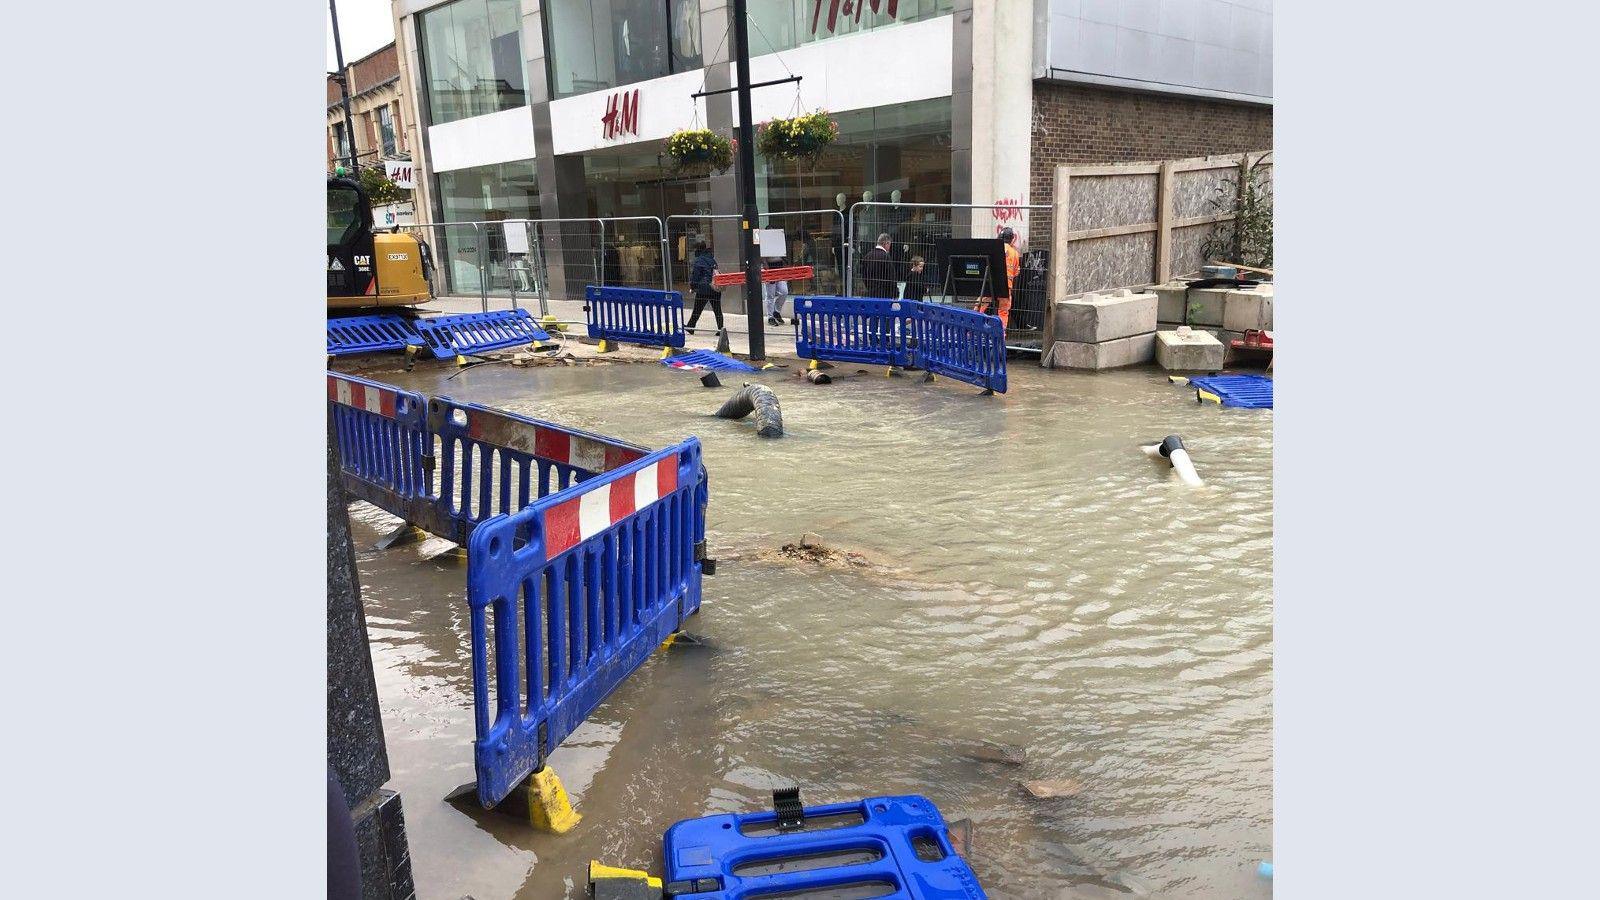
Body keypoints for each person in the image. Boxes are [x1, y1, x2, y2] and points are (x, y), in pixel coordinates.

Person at [976, 227, 1021, 328]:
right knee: (1003, 312)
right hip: (1006, 285)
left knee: (980, 306)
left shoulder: (993, 248)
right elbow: (1016, 272)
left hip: (991, 282)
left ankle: (971, 331)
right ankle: (1001, 336)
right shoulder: (1015, 253)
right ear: (1012, 239)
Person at [686, 241, 724, 334]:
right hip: (714, 288)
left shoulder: (699, 260)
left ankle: (691, 327)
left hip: (703, 289)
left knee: (697, 309)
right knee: (717, 309)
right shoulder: (712, 259)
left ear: (698, 250)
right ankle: (721, 329)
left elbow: (696, 275)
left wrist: (693, 287)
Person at [861, 233, 897, 299]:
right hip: (884, 294)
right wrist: (894, 294)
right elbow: (891, 277)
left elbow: (864, 275)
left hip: (871, 292)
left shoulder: (867, 256)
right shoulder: (886, 257)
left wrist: (869, 287)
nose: (889, 247)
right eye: (889, 244)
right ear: (886, 243)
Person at [761, 259, 790, 326]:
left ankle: (776, 312)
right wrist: (764, 262)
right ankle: (770, 317)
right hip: (769, 266)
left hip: (780, 266)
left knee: (784, 292)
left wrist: (785, 262)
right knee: (770, 295)